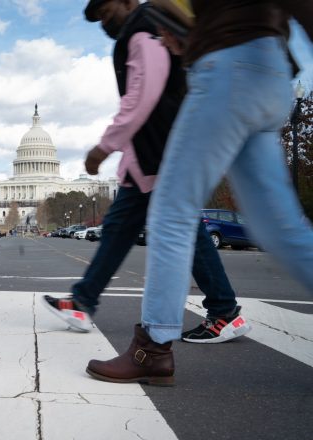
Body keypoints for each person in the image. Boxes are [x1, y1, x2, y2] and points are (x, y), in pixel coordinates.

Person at [87, 0, 313, 386]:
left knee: (170, 214)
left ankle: (153, 349)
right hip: (270, 69)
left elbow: (173, 8)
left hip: (226, 65)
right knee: (281, 229)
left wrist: (186, 36)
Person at [42, 0, 250, 345]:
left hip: (162, 154)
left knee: (181, 236)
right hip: (149, 157)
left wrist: (104, 147)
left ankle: (218, 314)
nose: (105, 24)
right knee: (121, 231)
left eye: (107, 14)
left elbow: (142, 97)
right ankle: (82, 302)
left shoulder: (143, 30)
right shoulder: (142, 29)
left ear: (127, 2)